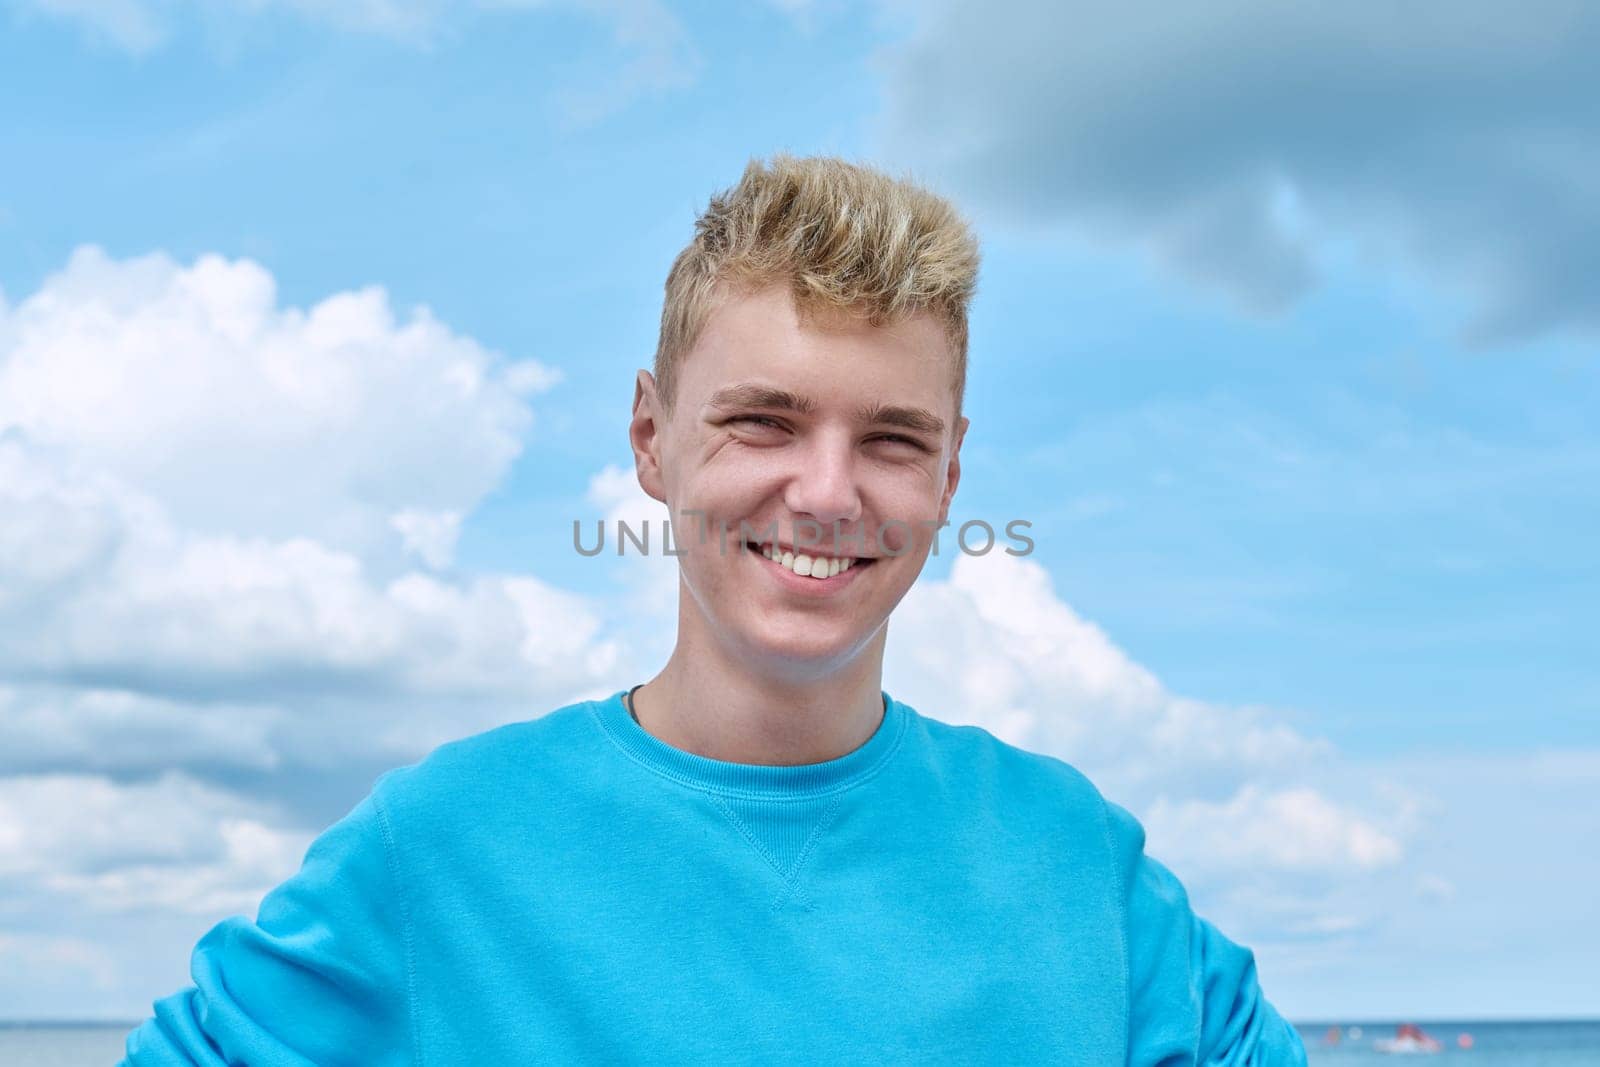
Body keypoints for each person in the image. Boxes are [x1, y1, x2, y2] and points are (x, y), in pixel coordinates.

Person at [122, 154, 1308, 1064]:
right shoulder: (441, 844)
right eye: (765, 421)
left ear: (948, 480)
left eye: (893, 440)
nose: (828, 491)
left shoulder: (1080, 864)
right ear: (652, 437)